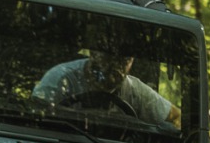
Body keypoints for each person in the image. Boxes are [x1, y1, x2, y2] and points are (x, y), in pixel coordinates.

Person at [33, 50, 181, 126]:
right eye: (108, 56)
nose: (114, 65)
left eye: (124, 59)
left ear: (132, 62)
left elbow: (175, 117)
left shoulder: (134, 89)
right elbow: (36, 114)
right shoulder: (62, 79)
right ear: (93, 53)